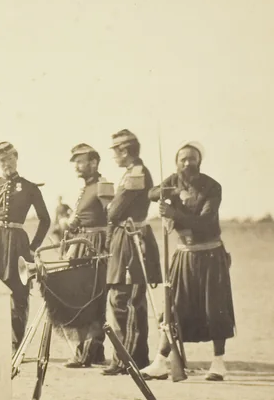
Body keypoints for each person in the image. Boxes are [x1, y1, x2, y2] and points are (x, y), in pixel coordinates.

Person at [142, 142, 236, 382]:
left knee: (214, 308)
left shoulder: (212, 187)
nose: (187, 163)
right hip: (184, 254)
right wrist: (168, 194)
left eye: (191, 159)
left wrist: (175, 214)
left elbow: (205, 221)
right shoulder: (173, 181)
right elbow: (151, 193)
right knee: (173, 306)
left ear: (199, 161)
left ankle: (218, 362)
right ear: (176, 162)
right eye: (182, 159)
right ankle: (160, 362)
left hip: (210, 254)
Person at [0, 141, 51, 351]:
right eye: (1, 160)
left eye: (8, 159)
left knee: (18, 294)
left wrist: (33, 247)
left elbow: (45, 220)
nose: (5, 164)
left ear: (16, 157)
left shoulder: (29, 188)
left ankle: (15, 344)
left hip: (18, 245)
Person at [103, 129, 162, 374]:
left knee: (125, 299)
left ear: (125, 151)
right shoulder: (131, 172)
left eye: (116, 152)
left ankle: (129, 358)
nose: (114, 157)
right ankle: (127, 356)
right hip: (125, 238)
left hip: (132, 239)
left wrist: (108, 208)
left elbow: (114, 212)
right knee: (122, 298)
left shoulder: (136, 173)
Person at [60, 144, 110, 368]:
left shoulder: (103, 186)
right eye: (76, 162)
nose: (77, 167)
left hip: (96, 247)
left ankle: (90, 352)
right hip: (80, 245)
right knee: (79, 298)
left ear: (94, 163)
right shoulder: (85, 188)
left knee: (94, 298)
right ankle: (88, 351)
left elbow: (112, 217)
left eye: (81, 161)